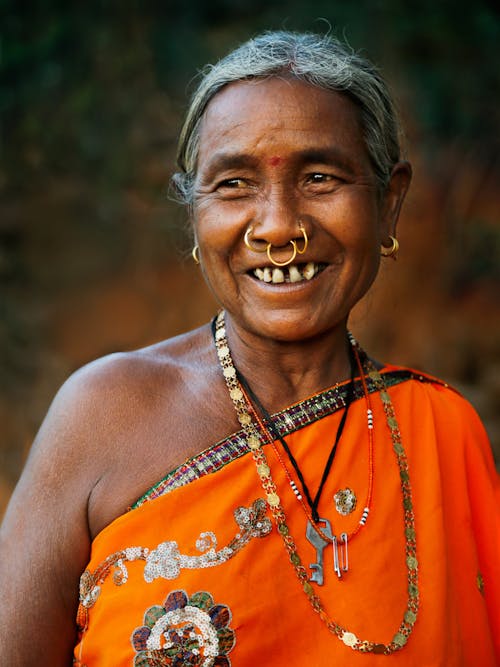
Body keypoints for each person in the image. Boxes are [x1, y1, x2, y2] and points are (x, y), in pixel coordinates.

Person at [0, 30, 498, 666]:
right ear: (194, 211)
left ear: (389, 203)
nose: (279, 227)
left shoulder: (441, 431)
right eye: (234, 184)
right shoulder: (101, 415)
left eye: (320, 177)